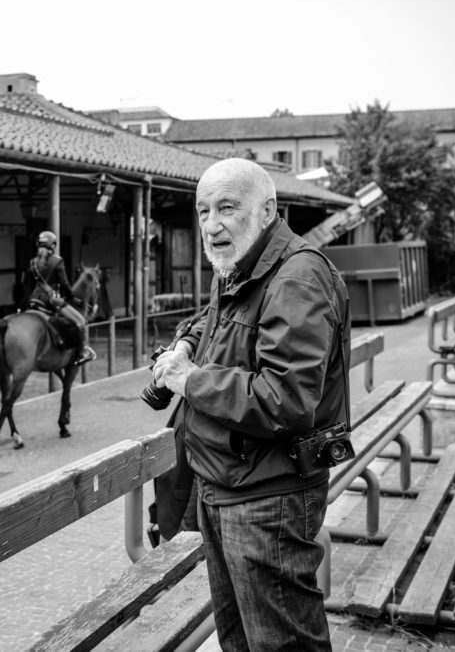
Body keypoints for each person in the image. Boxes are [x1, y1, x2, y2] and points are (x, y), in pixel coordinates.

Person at [151, 158, 350, 651]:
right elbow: (211, 320)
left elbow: (285, 400)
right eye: (202, 211)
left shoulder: (297, 278)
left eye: (227, 208)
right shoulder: (241, 266)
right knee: (239, 642)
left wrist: (191, 379)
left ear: (266, 211)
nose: (212, 225)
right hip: (227, 485)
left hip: (269, 499)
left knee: (281, 645)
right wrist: (184, 345)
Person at [21, 230, 96, 366]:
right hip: (51, 301)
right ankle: (82, 352)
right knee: (80, 322)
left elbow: (26, 284)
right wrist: (70, 297)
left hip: (33, 300)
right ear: (53, 246)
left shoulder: (32, 263)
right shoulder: (57, 261)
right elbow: (65, 284)